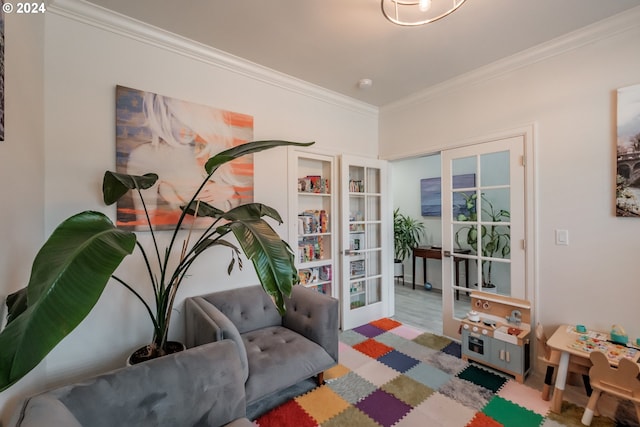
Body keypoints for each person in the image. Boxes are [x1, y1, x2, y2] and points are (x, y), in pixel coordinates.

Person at [122, 90, 253, 230]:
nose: (186, 129)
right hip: (193, 241)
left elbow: (235, 208)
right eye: (176, 118)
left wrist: (229, 192)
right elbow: (145, 224)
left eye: (192, 120)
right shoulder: (147, 155)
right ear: (162, 115)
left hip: (226, 237)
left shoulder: (206, 151)